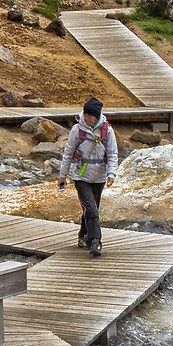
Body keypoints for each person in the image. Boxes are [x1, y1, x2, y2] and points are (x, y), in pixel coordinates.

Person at [52, 97, 121, 256]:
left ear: (97, 116)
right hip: (80, 175)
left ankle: (83, 236)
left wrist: (111, 173)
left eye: (90, 115)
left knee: (91, 208)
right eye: (85, 114)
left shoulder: (107, 131)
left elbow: (112, 153)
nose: (86, 117)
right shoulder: (77, 129)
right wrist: (62, 175)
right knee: (91, 208)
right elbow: (68, 152)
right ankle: (95, 241)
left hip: (99, 176)